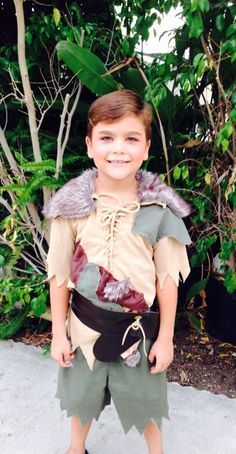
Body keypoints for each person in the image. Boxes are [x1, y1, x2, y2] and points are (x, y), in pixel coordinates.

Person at [43, 89, 191, 454]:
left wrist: (166, 338)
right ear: (91, 145)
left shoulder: (160, 211)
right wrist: (58, 334)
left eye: (131, 139)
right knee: (80, 396)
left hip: (136, 334)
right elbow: (60, 274)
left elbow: (167, 280)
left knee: (147, 403)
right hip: (83, 328)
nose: (118, 149)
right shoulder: (71, 207)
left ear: (146, 147)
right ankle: (76, 449)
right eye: (107, 138)